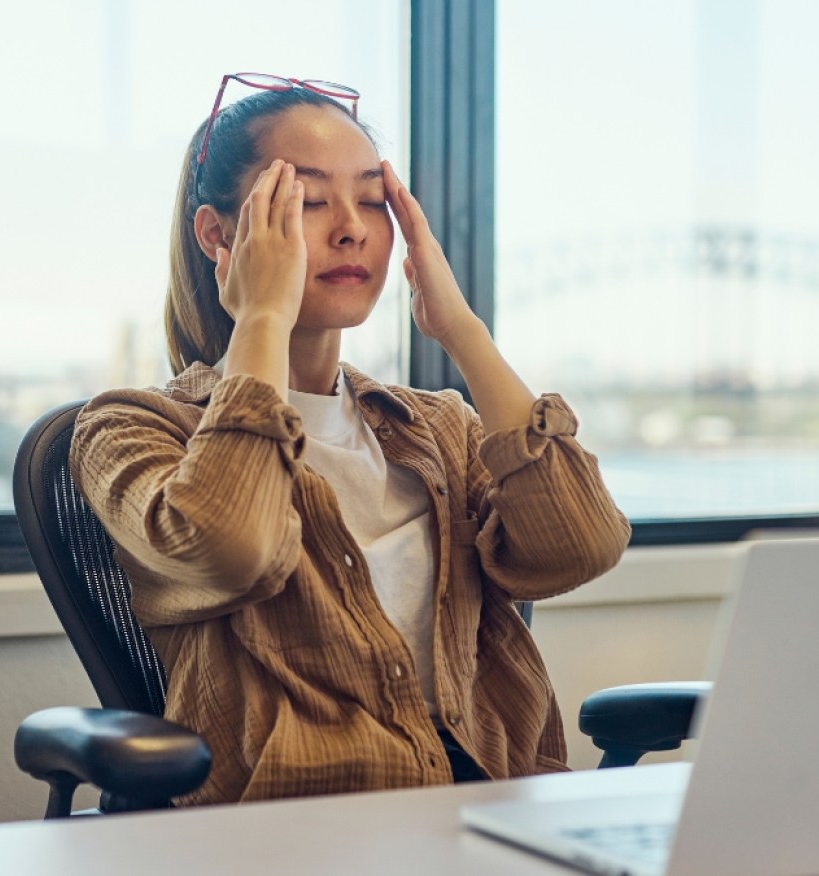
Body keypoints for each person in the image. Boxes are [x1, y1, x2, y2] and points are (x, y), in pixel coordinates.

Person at [69, 74, 631, 806]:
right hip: (297, 827)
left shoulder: (438, 426)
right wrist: (262, 319)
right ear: (217, 234)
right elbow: (230, 548)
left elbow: (581, 546)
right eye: (304, 201)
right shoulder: (131, 427)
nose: (350, 228)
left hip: (495, 803)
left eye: (371, 200)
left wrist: (462, 332)